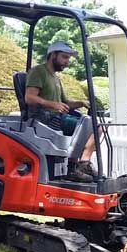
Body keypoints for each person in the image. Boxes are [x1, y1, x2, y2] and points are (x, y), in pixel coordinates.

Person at [25, 40, 99, 183]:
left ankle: (79, 165)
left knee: (96, 126)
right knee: (93, 129)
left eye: (68, 58)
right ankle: (75, 167)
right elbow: (29, 97)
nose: (67, 62)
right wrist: (53, 104)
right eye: (64, 57)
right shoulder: (38, 72)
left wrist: (81, 102)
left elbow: (65, 103)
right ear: (53, 55)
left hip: (57, 115)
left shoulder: (55, 78)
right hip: (45, 119)